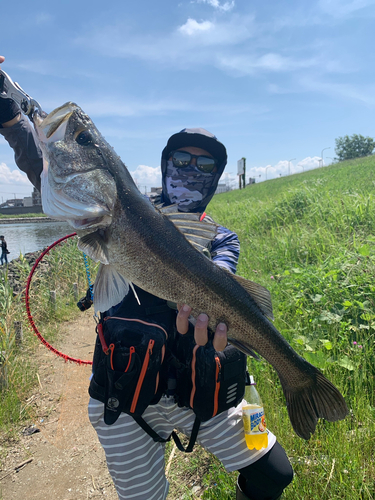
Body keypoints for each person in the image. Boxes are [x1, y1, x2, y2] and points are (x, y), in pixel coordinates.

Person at [0, 55, 293, 500]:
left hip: (207, 395)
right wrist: (11, 119)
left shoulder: (220, 237)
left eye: (204, 166)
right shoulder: (127, 207)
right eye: (182, 160)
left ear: (216, 177)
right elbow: (48, 170)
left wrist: (217, 329)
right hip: (124, 397)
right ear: (164, 164)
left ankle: (297, 379)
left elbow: (221, 279)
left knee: (273, 472)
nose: (191, 171)